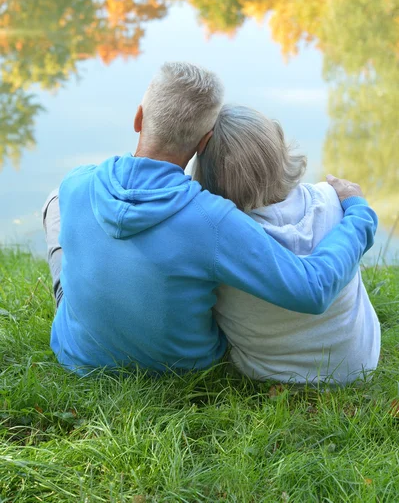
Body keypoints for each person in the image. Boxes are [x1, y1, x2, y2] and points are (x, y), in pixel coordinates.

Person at [42, 62, 377, 376]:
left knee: (55, 203)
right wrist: (359, 213)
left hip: (76, 353)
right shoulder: (213, 220)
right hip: (180, 367)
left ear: (138, 118)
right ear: (204, 142)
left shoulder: (77, 182)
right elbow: (312, 288)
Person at [193, 104, 381, 385]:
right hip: (358, 365)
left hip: (270, 373)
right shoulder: (335, 200)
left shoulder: (215, 236)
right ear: (278, 147)